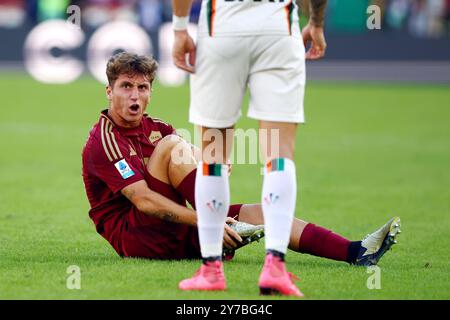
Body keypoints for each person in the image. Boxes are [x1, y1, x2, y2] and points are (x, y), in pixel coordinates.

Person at [81, 52, 401, 270]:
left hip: (174, 230)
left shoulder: (157, 127)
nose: (135, 95)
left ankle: (357, 252)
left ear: (150, 92)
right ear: (109, 91)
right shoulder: (103, 140)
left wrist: (213, 168)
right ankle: (216, 224)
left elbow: (199, 157)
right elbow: (145, 200)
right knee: (171, 146)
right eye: (126, 87)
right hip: (138, 239)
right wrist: (208, 219)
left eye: (142, 87)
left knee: (264, 212)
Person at [171, 0, 331, 296]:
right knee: (279, 155)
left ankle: (210, 269)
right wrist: (317, 23)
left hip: (222, 25)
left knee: (213, 157)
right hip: (278, 27)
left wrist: (180, 27)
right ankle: (275, 266)